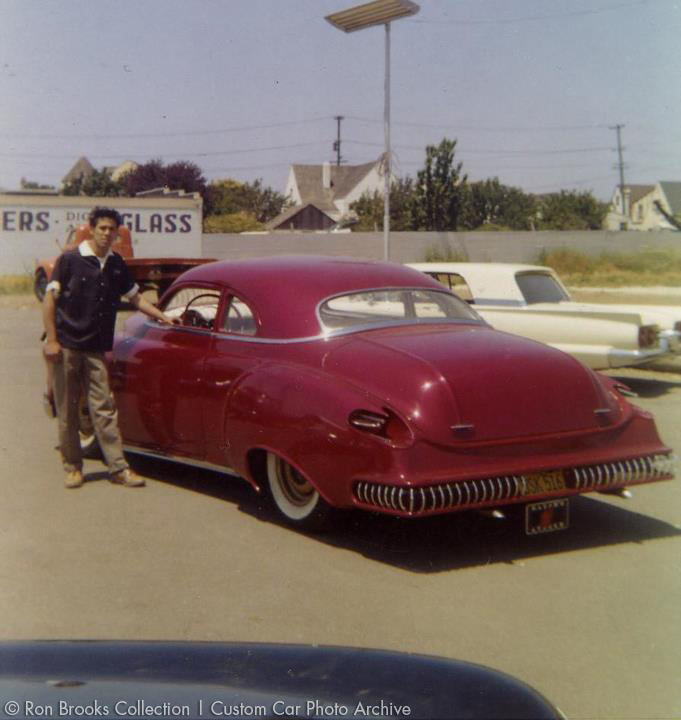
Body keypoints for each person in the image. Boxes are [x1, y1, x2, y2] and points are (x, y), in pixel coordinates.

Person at [42, 207, 175, 489]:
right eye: (101, 228)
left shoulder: (116, 264)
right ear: (91, 228)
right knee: (68, 410)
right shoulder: (69, 260)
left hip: (96, 349)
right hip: (66, 346)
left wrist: (164, 316)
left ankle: (118, 468)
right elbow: (49, 302)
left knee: (104, 408)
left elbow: (136, 299)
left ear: (117, 233)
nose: (106, 233)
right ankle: (73, 467)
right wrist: (52, 341)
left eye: (111, 229)